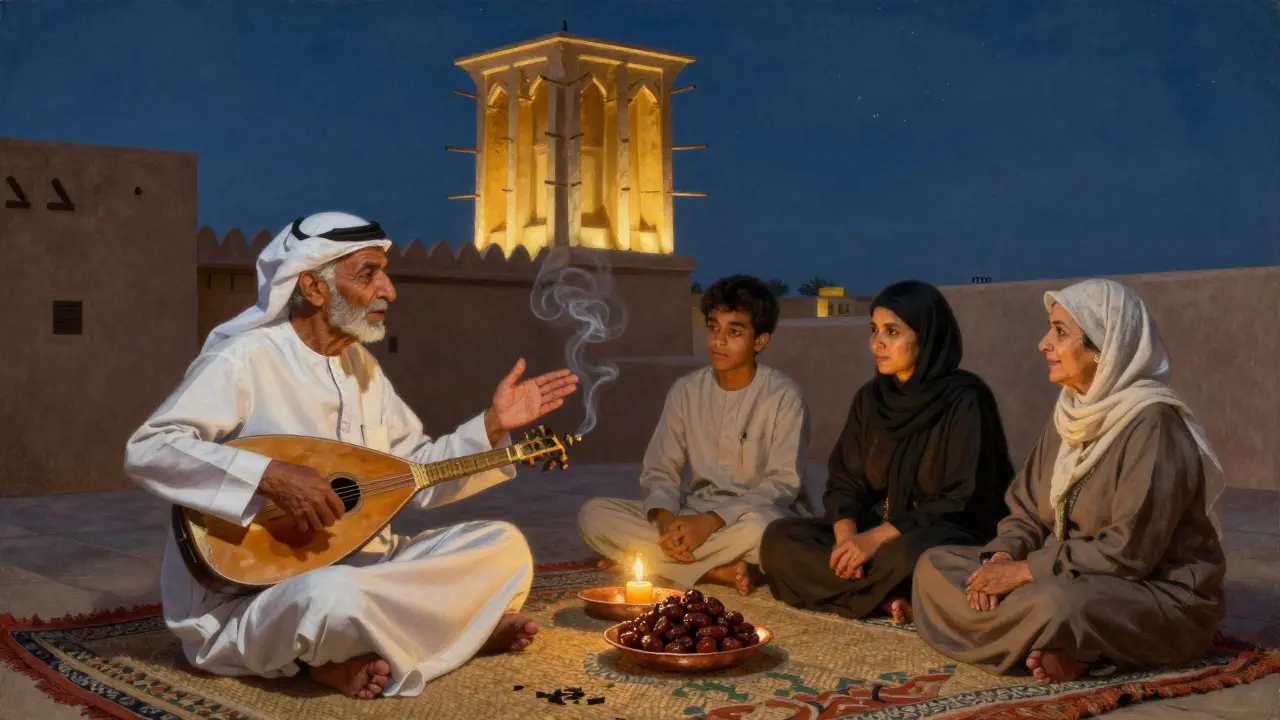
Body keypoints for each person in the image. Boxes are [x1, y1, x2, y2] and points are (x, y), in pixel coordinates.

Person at [123, 212, 579, 700]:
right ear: (314, 289)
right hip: (262, 592)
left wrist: (491, 426)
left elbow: (414, 474)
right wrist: (268, 475)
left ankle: (353, 653)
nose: (389, 290)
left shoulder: (363, 368)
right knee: (331, 597)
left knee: (504, 547)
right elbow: (149, 448)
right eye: (367, 274)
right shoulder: (246, 359)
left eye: (384, 273)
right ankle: (454, 632)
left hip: (368, 565)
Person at [912, 278, 1227, 684]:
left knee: (1060, 603)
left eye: (1060, 332)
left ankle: (1066, 639)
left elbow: (1129, 553)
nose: (1044, 344)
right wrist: (1004, 558)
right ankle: (1062, 644)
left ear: (1103, 349)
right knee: (933, 565)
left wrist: (1025, 573)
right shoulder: (1070, 414)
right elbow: (1025, 509)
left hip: (1154, 592)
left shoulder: (1153, 424)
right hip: (1064, 571)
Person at [760, 280, 1015, 624]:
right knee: (779, 539)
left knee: (912, 556)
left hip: (941, 533)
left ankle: (872, 592)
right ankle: (887, 599)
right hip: (872, 529)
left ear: (924, 337)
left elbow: (959, 501)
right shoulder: (872, 399)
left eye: (892, 332)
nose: (877, 343)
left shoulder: (965, 399)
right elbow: (845, 481)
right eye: (874, 330)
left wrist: (875, 540)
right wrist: (847, 539)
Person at [577, 275, 809, 596]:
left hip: (752, 516)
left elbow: (782, 485)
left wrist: (711, 522)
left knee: (768, 533)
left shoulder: (784, 396)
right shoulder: (686, 390)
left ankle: (653, 561)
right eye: (713, 327)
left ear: (760, 341)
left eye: (734, 331)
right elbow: (660, 469)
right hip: (691, 511)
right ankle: (713, 571)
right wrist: (667, 524)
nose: (719, 341)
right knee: (594, 515)